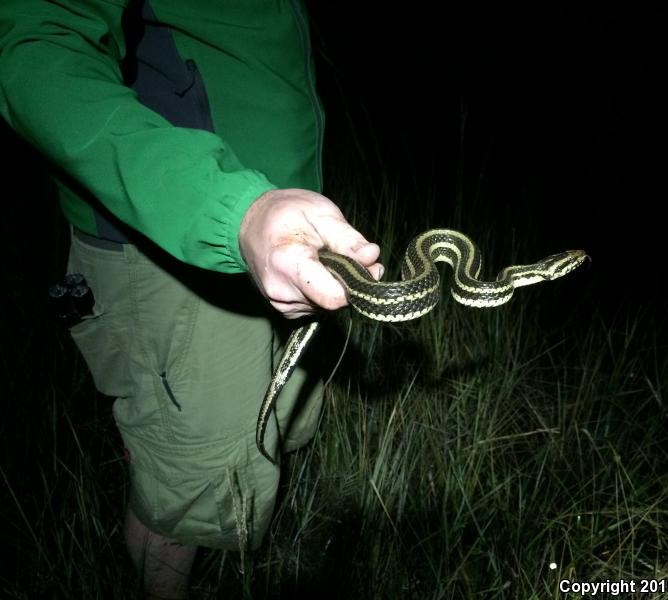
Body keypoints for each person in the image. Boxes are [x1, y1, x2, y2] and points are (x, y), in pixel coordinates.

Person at [0, 1, 382, 597]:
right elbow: (36, 53)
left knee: (270, 433)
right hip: (168, 246)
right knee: (187, 491)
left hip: (282, 244)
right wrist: (232, 211)